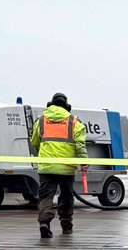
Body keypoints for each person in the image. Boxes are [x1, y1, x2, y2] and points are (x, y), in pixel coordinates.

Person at [29, 92, 87, 238]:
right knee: (66, 196)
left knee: (46, 196)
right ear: (67, 106)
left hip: (47, 167)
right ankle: (66, 226)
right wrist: (84, 162)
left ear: (51, 105)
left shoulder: (41, 121)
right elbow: (80, 145)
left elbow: (34, 142)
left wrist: (42, 154)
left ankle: (44, 223)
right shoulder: (74, 122)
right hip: (67, 168)